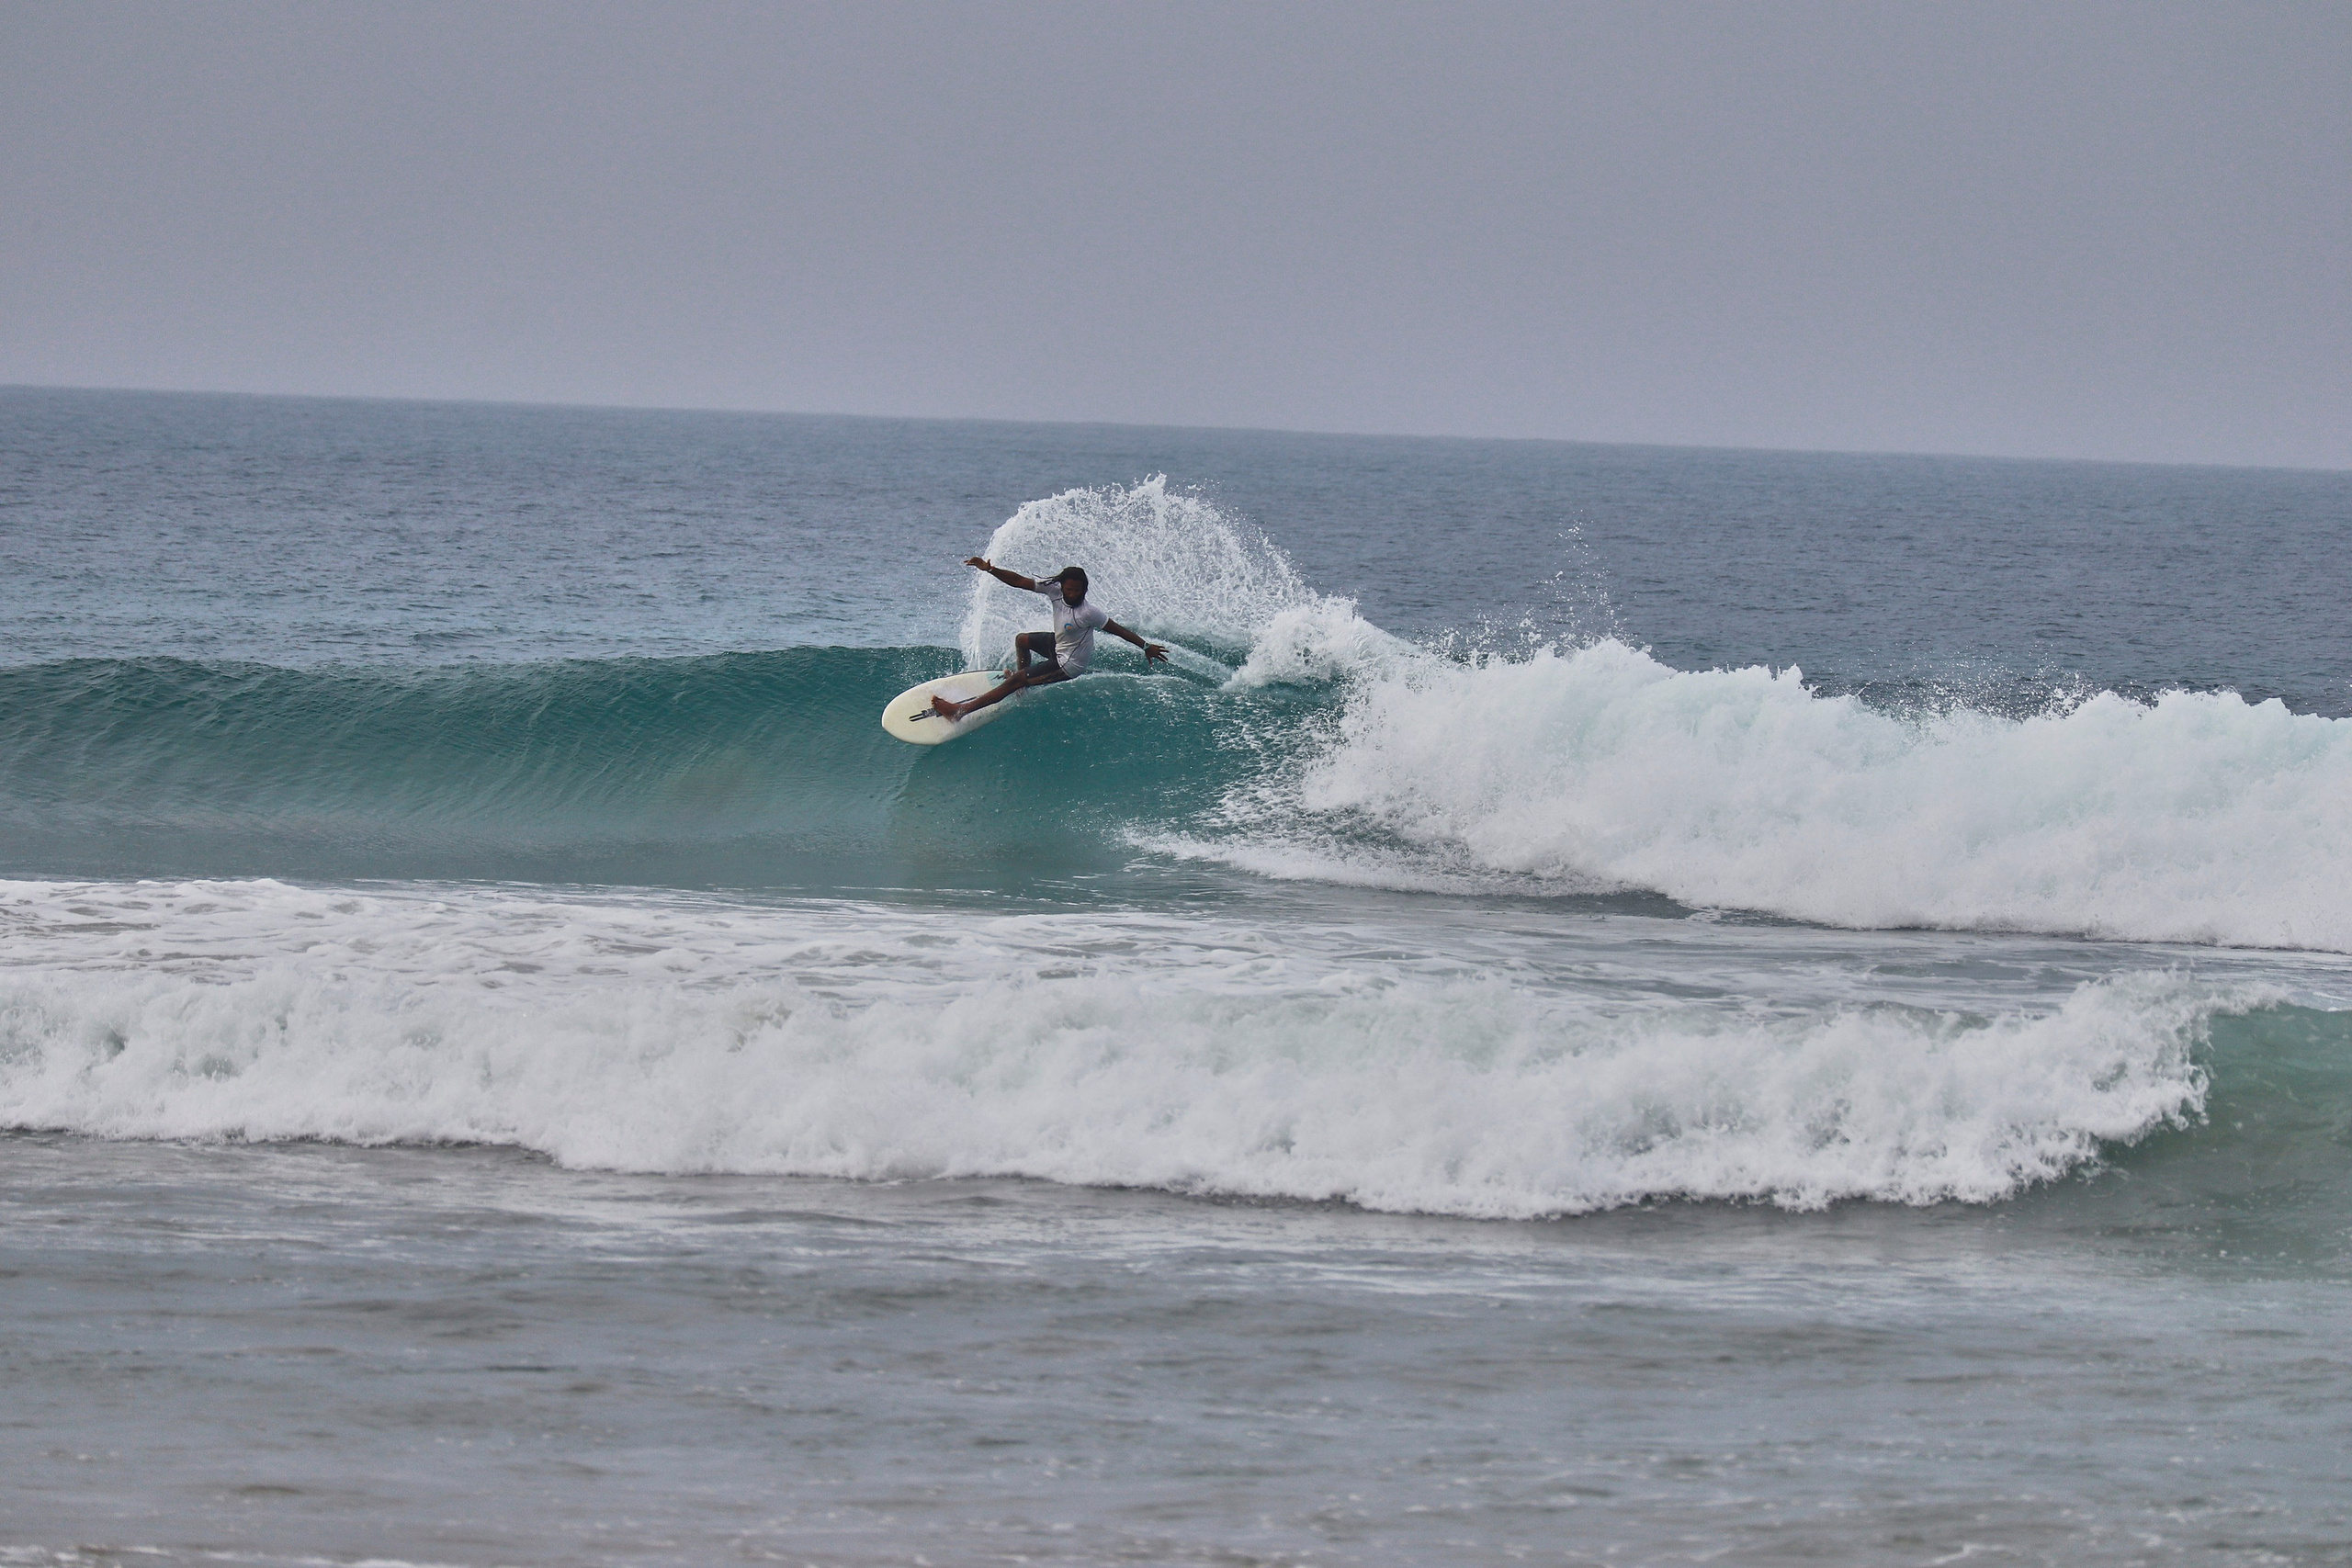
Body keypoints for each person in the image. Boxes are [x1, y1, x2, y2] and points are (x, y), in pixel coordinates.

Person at [932, 558, 1167, 721]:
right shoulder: (1054, 590)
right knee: (1022, 640)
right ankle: (1021, 684)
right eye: (1068, 590)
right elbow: (1019, 581)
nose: (1071, 594)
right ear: (1062, 586)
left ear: (1084, 590)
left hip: (1068, 665)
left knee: (1018, 680)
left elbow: (1119, 630)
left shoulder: (1088, 613)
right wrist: (991, 569)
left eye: (1077, 591)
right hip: (1060, 646)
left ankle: (960, 711)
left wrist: (1145, 646)